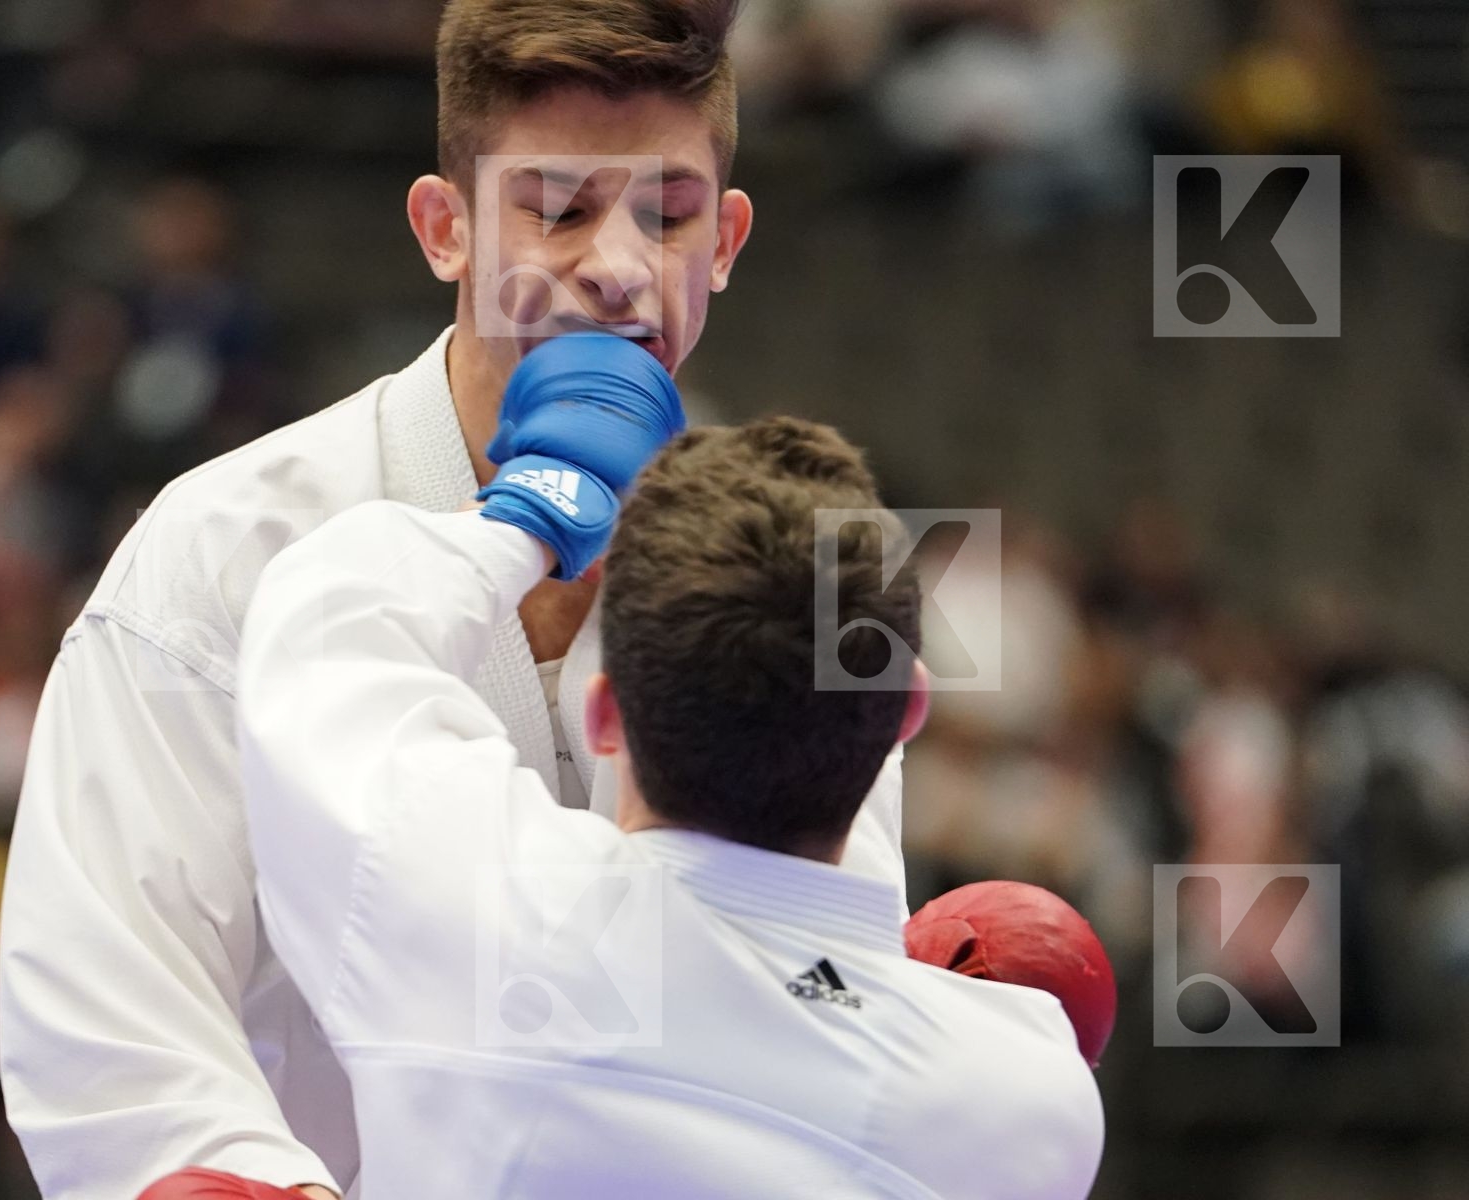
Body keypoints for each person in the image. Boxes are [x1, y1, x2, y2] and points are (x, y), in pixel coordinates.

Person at [0, 3, 914, 1198]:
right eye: (559, 207)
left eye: (669, 214)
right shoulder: (228, 547)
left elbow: (819, 986)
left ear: (728, 239)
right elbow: (112, 1013)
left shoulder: (786, 575)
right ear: (445, 228)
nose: (621, 265)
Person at [198, 339, 1102, 1198]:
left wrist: (531, 512)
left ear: (602, 715)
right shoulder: (1021, 1101)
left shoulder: (487, 926)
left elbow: (328, 626)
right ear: (910, 711)